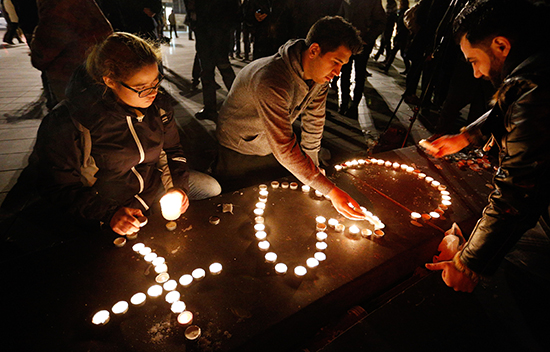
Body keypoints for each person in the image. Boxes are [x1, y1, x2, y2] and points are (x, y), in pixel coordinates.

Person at [1, 32, 221, 240]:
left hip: (152, 187)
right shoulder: (69, 121)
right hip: (105, 203)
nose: (153, 93)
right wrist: (109, 213)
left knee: (211, 188)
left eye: (156, 82)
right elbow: (58, 188)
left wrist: (177, 189)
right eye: (142, 87)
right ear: (110, 81)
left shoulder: (158, 105)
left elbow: (172, 151)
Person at [424, 0, 550, 292]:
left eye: (473, 61)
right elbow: (512, 105)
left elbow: (518, 191)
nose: (476, 74)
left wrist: (468, 265)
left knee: (502, 276)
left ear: (501, 46)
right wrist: (467, 136)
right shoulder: (540, 62)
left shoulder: (535, 86)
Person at [214, 16, 366, 220]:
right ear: (314, 51)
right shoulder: (271, 79)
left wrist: (314, 169)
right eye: (336, 62)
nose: (338, 72)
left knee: (278, 203)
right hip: (240, 145)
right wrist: (330, 190)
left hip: (271, 142)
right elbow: (284, 147)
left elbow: (314, 122)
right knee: (242, 206)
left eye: (343, 65)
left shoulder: (319, 78)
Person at [338, 0, 386, 119]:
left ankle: (354, 105)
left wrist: (368, 38)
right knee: (345, 72)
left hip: (363, 43)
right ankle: (344, 102)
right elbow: (340, 17)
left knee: (359, 74)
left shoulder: (372, 2)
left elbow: (381, 22)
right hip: (347, 43)